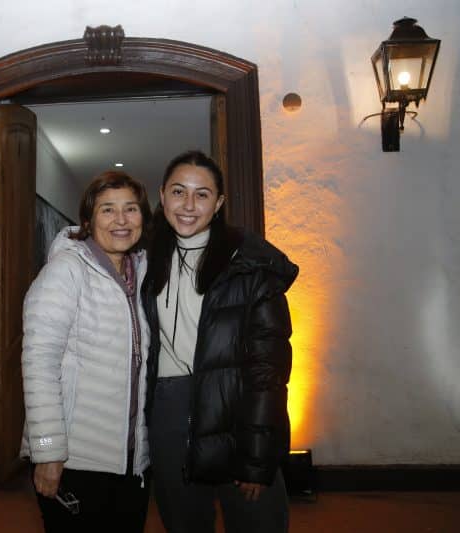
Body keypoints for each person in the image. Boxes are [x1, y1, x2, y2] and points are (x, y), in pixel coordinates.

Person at [142, 150, 298, 533]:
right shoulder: (144, 258)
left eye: (202, 194)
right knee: (184, 523)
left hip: (237, 410)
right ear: (162, 196)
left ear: (219, 203)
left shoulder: (250, 267)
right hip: (170, 413)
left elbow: (269, 371)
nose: (188, 205)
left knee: (257, 521)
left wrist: (257, 458)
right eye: (178, 191)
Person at [20, 171, 153, 533]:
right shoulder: (65, 271)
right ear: (88, 221)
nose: (121, 220)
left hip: (130, 461)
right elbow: (38, 366)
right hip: (75, 461)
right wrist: (48, 452)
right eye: (107, 209)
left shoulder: (141, 275)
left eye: (131, 209)